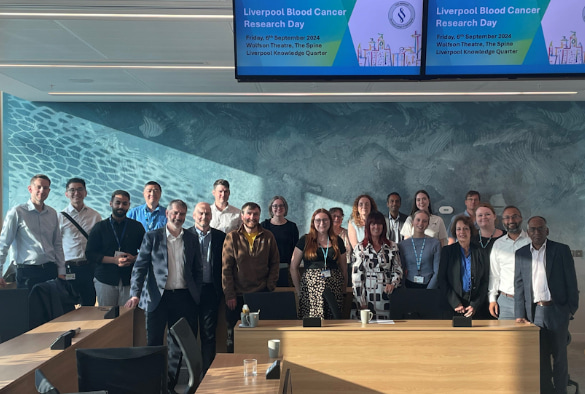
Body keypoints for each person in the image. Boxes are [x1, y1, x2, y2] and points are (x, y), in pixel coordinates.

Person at [126, 200, 202, 392]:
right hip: (156, 298)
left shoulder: (192, 238)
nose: (178, 217)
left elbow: (197, 268)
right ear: (167, 213)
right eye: (175, 213)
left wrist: (197, 292)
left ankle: (170, 385)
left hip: (184, 298)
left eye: (182, 214)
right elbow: (140, 267)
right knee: (153, 344)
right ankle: (153, 385)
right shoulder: (152, 237)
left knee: (178, 345)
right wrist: (135, 294)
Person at [515, 216, 579, 394]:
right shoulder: (521, 253)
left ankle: (560, 391)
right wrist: (520, 314)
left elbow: (571, 282)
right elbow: (519, 285)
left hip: (557, 310)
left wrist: (569, 309)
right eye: (533, 229)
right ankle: (545, 390)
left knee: (559, 357)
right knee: (540, 357)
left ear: (547, 231)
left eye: (540, 229)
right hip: (534, 313)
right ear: (528, 233)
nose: (536, 233)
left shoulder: (561, 250)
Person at [222, 202, 279, 352]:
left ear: (259, 216)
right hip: (237, 296)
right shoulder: (232, 237)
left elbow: (275, 263)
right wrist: (229, 294)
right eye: (249, 213)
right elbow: (226, 269)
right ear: (242, 216)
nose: (252, 217)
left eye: (255, 214)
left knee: (260, 338)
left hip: (261, 294)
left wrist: (270, 286)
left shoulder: (268, 236)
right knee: (234, 338)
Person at [0, 174, 66, 290]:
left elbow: (57, 244)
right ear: (30, 189)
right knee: (29, 308)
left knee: (51, 307)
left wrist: (61, 271)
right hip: (27, 272)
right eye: (39, 187)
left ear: (49, 190)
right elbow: (4, 244)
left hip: (50, 270)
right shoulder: (17, 212)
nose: (42, 190)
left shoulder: (52, 213)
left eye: (45, 188)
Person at [86, 190, 145, 306]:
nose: (120, 206)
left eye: (124, 203)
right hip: (105, 279)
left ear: (129, 205)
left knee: (126, 317)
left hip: (129, 279)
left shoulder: (136, 227)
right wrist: (114, 260)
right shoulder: (100, 227)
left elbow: (146, 251)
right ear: (111, 203)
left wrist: (133, 258)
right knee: (107, 317)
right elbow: (90, 254)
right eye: (117, 202)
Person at [187, 202, 226, 374]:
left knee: (209, 334)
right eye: (201, 213)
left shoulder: (220, 237)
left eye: (207, 214)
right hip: (188, 292)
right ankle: (191, 374)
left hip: (211, 290)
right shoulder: (184, 235)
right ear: (194, 215)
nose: (204, 217)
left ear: (212, 216)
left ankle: (207, 374)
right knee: (188, 333)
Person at [291, 209, 347, 319]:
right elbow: (293, 267)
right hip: (311, 290)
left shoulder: (337, 240)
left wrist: (344, 290)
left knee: (334, 322)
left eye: (325, 220)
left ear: (330, 221)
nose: (322, 223)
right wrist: (299, 291)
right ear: (313, 222)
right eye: (318, 220)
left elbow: (344, 268)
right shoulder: (305, 240)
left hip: (334, 288)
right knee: (313, 324)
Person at [58, 177, 102, 305]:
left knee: (89, 304)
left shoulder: (95, 216)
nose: (76, 193)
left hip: (89, 267)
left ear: (85, 193)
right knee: (67, 305)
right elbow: (56, 244)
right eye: (72, 190)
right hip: (69, 268)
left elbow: (100, 242)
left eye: (80, 189)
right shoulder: (60, 217)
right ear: (67, 194)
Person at [352, 211, 402, 320]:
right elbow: (357, 276)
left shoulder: (392, 246)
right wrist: (362, 301)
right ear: (368, 226)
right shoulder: (360, 248)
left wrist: (393, 284)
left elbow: (398, 269)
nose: (376, 227)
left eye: (379, 224)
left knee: (387, 330)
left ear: (383, 227)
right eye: (373, 224)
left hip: (386, 295)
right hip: (366, 295)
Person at [438, 215, 489, 318]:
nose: (462, 232)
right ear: (455, 232)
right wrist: (455, 302)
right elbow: (442, 279)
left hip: (475, 306)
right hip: (452, 305)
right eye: (459, 229)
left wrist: (475, 304)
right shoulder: (447, 251)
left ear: (471, 231)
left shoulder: (481, 252)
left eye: (466, 228)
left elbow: (485, 280)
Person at [488, 206, 530, 320]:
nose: (511, 221)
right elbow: (494, 274)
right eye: (507, 217)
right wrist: (492, 299)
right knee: (504, 337)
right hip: (505, 302)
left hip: (529, 300)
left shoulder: (531, 241)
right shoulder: (498, 244)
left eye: (514, 217)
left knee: (530, 337)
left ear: (521, 219)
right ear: (503, 221)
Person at [261, 196, 299, 287]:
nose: (279, 208)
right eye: (275, 206)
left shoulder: (292, 227)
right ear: (271, 208)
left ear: (285, 208)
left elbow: (296, 249)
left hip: (287, 267)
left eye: (282, 206)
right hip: (268, 268)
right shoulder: (264, 225)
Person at [398, 210, 441, 289]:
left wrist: (428, 290)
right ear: (412, 222)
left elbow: (437, 271)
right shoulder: (403, 245)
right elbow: (401, 269)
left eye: (424, 221)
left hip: (429, 286)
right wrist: (403, 288)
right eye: (418, 220)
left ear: (428, 224)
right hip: (409, 287)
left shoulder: (435, 243)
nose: (421, 223)